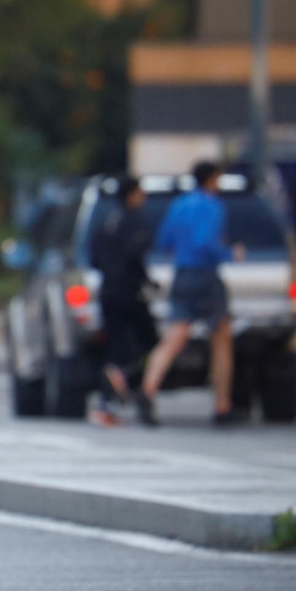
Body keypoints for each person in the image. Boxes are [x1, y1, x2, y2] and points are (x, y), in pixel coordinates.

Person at [137, 161, 242, 427]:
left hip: (182, 274)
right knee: (221, 337)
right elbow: (204, 242)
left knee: (175, 335)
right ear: (211, 180)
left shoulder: (179, 205)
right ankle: (222, 405)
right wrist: (229, 253)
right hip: (205, 275)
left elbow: (164, 241)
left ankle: (148, 390)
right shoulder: (212, 206)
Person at [87, 175, 157, 427]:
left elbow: (93, 259)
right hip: (129, 292)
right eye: (140, 192)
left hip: (108, 291)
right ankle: (133, 382)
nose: (144, 198)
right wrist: (148, 282)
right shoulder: (134, 221)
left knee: (113, 347)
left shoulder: (105, 220)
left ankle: (107, 401)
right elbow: (135, 256)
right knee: (151, 342)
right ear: (131, 194)